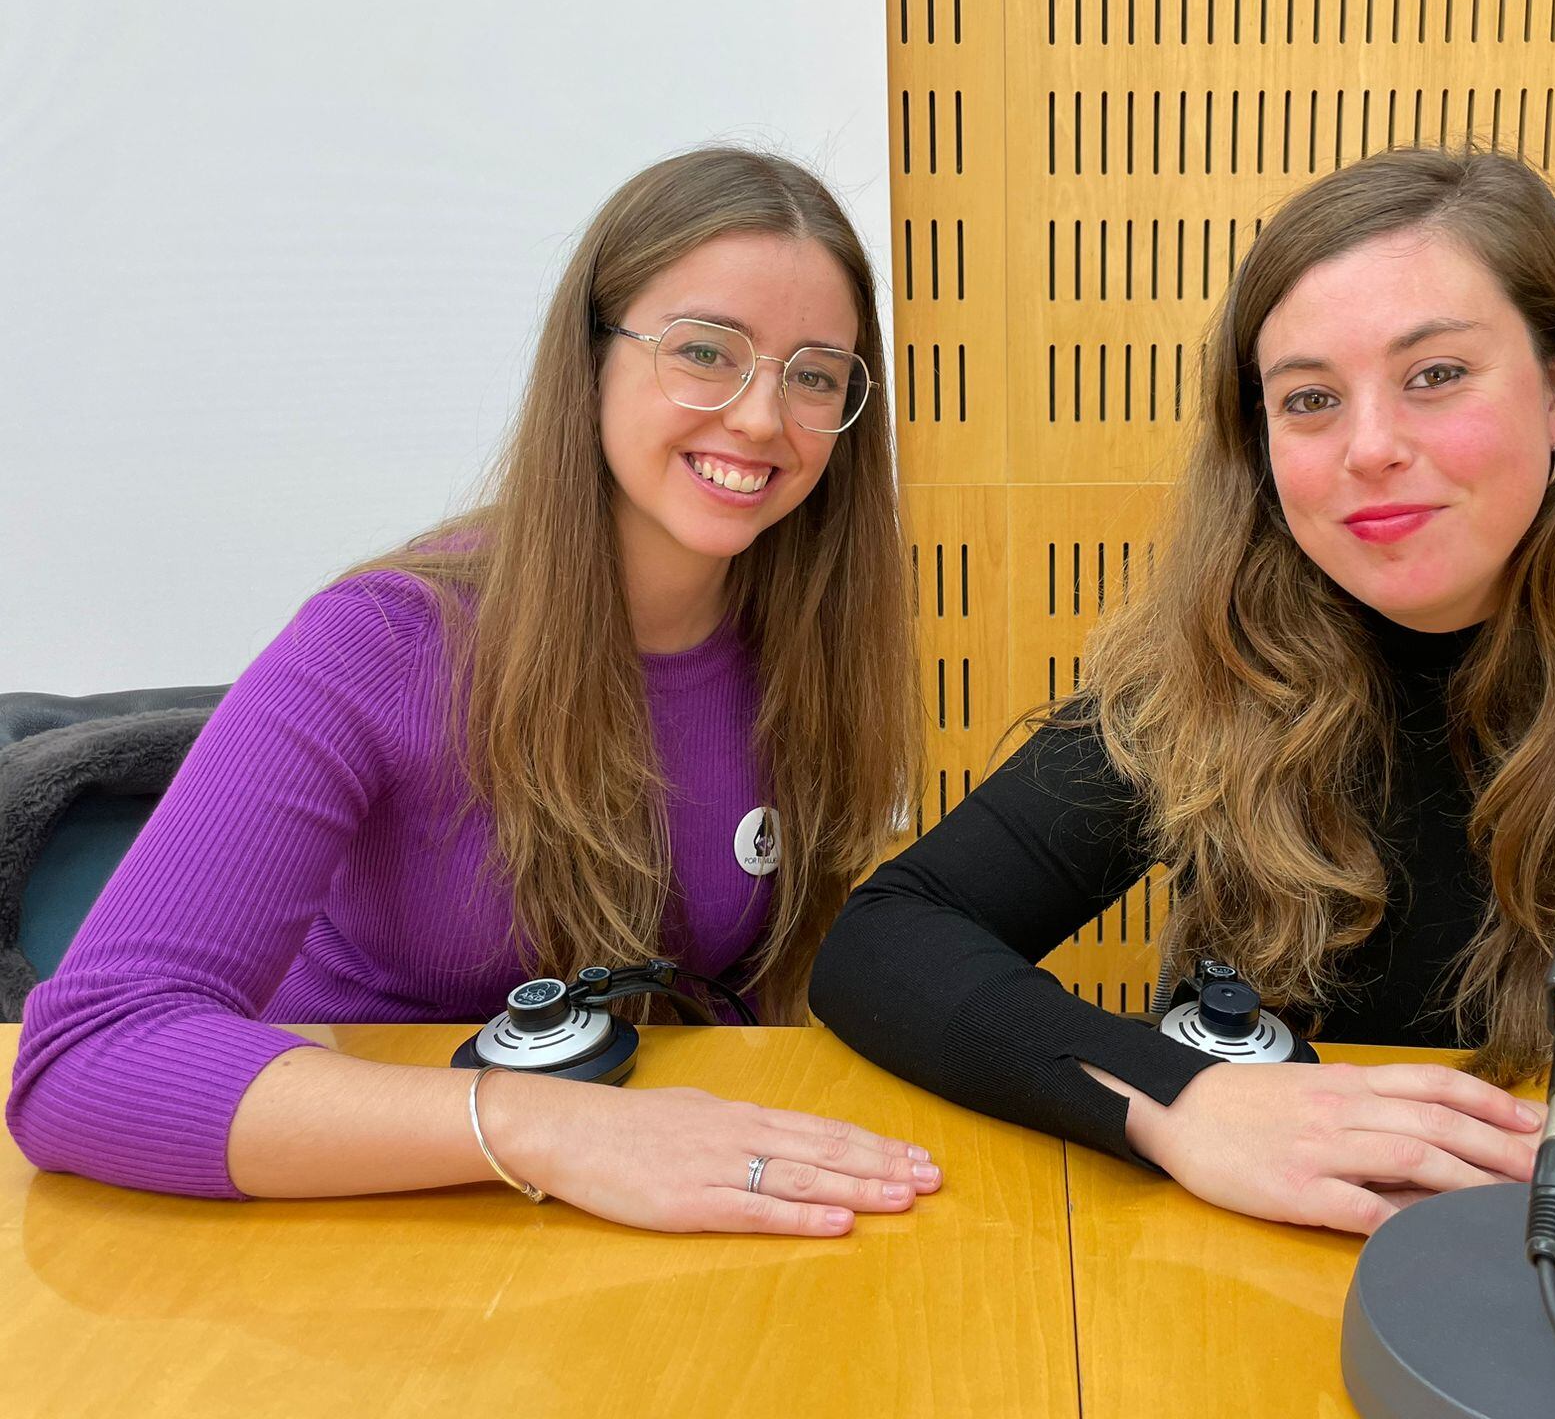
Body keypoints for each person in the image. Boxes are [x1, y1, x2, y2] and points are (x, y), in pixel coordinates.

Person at [810, 145, 1555, 1245]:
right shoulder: (1203, 665)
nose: (1365, 448)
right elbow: (888, 939)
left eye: (1435, 374)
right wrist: (1181, 1104)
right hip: (1282, 1270)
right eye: (1306, 399)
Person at [9, 148, 941, 1237]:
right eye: (703, 352)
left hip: (622, 1199)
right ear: (589, 361)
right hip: (342, 1226)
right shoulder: (380, 643)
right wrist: (543, 1128)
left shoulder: (811, 649)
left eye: (814, 373)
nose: (758, 418)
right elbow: (86, 1058)